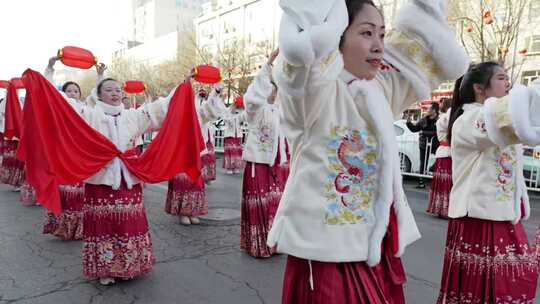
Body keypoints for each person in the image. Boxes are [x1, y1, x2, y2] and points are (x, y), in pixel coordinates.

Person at [267, 0, 469, 302]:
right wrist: (313, 32)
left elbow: (428, 58)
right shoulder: (315, 93)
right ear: (336, 37)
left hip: (378, 248)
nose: (378, 46)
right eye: (366, 33)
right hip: (327, 254)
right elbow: (301, 66)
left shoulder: (380, 89)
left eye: (383, 35)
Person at [437, 62, 540, 303]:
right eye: (501, 78)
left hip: (502, 214)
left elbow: (520, 120)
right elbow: (511, 116)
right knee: (490, 290)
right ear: (479, 88)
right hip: (480, 218)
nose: (508, 84)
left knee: (509, 284)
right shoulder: (469, 120)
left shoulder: (493, 120)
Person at [40, 57, 106, 240]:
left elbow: (97, 95)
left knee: (81, 193)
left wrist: (100, 75)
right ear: (63, 93)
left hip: (84, 156)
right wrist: (50, 67)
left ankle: (81, 228)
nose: (72, 93)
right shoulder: (61, 107)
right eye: (69, 90)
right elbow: (49, 90)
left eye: (76, 91)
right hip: (64, 155)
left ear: (80, 94)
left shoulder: (87, 108)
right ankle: (64, 228)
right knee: (66, 192)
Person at [240, 50, 289, 258]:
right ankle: (259, 245)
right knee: (261, 204)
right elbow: (251, 98)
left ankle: (274, 242)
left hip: (278, 166)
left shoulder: (282, 111)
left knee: (276, 205)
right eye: (270, 88)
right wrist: (267, 65)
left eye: (275, 89)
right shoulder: (255, 110)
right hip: (258, 164)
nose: (272, 92)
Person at [165, 86, 223, 225]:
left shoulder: (198, 112)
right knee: (182, 183)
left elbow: (208, 109)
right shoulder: (173, 113)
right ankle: (182, 213)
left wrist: (215, 93)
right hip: (180, 154)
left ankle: (192, 211)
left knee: (195, 183)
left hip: (196, 153)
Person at [426, 98, 452, 217]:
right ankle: (445, 209)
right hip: (446, 152)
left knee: (443, 182)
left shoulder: (444, 118)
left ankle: (441, 208)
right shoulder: (445, 118)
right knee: (446, 182)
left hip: (444, 152)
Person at [406, 102, 440, 188]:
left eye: (429, 108)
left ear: (434, 111)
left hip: (436, 144)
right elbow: (414, 129)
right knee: (423, 163)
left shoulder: (440, 120)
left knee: (440, 159)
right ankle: (421, 183)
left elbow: (440, 133)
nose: (427, 110)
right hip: (424, 144)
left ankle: (434, 171)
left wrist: (425, 133)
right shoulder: (423, 120)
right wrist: (408, 122)